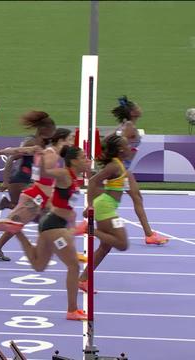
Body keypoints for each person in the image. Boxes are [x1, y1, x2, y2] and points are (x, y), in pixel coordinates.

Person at [0, 128, 75, 262]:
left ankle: (69, 255)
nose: (73, 142)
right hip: (34, 200)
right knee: (7, 224)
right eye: (70, 139)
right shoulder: (50, 155)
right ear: (61, 140)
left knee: (59, 224)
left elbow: (17, 151)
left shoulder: (41, 150)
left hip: (42, 199)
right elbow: (42, 174)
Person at [14, 146, 91, 321]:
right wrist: (40, 159)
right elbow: (46, 173)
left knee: (38, 266)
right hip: (54, 226)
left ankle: (18, 232)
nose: (87, 160)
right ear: (74, 161)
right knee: (73, 266)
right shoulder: (64, 174)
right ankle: (72, 310)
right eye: (84, 157)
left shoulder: (75, 176)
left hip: (52, 225)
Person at [78, 134, 134, 292]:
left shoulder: (119, 164)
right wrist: (90, 206)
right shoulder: (114, 166)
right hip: (105, 207)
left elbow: (104, 186)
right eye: (127, 145)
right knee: (122, 244)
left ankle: (83, 280)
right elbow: (94, 181)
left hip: (107, 205)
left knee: (105, 247)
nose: (130, 148)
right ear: (121, 150)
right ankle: (89, 230)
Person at [110, 96, 168, 245]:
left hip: (122, 169)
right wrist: (124, 154)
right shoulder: (129, 127)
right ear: (132, 112)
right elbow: (116, 143)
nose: (140, 108)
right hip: (121, 169)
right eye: (137, 106)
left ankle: (149, 234)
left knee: (134, 199)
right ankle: (148, 235)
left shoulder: (124, 124)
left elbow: (109, 140)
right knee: (118, 200)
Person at [0, 111, 56, 213]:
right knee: (30, 208)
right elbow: (12, 157)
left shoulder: (43, 143)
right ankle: (8, 213)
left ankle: (6, 204)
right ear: (45, 129)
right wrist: (5, 181)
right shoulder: (31, 142)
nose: (54, 133)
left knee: (25, 207)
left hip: (30, 181)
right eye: (53, 130)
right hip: (19, 180)